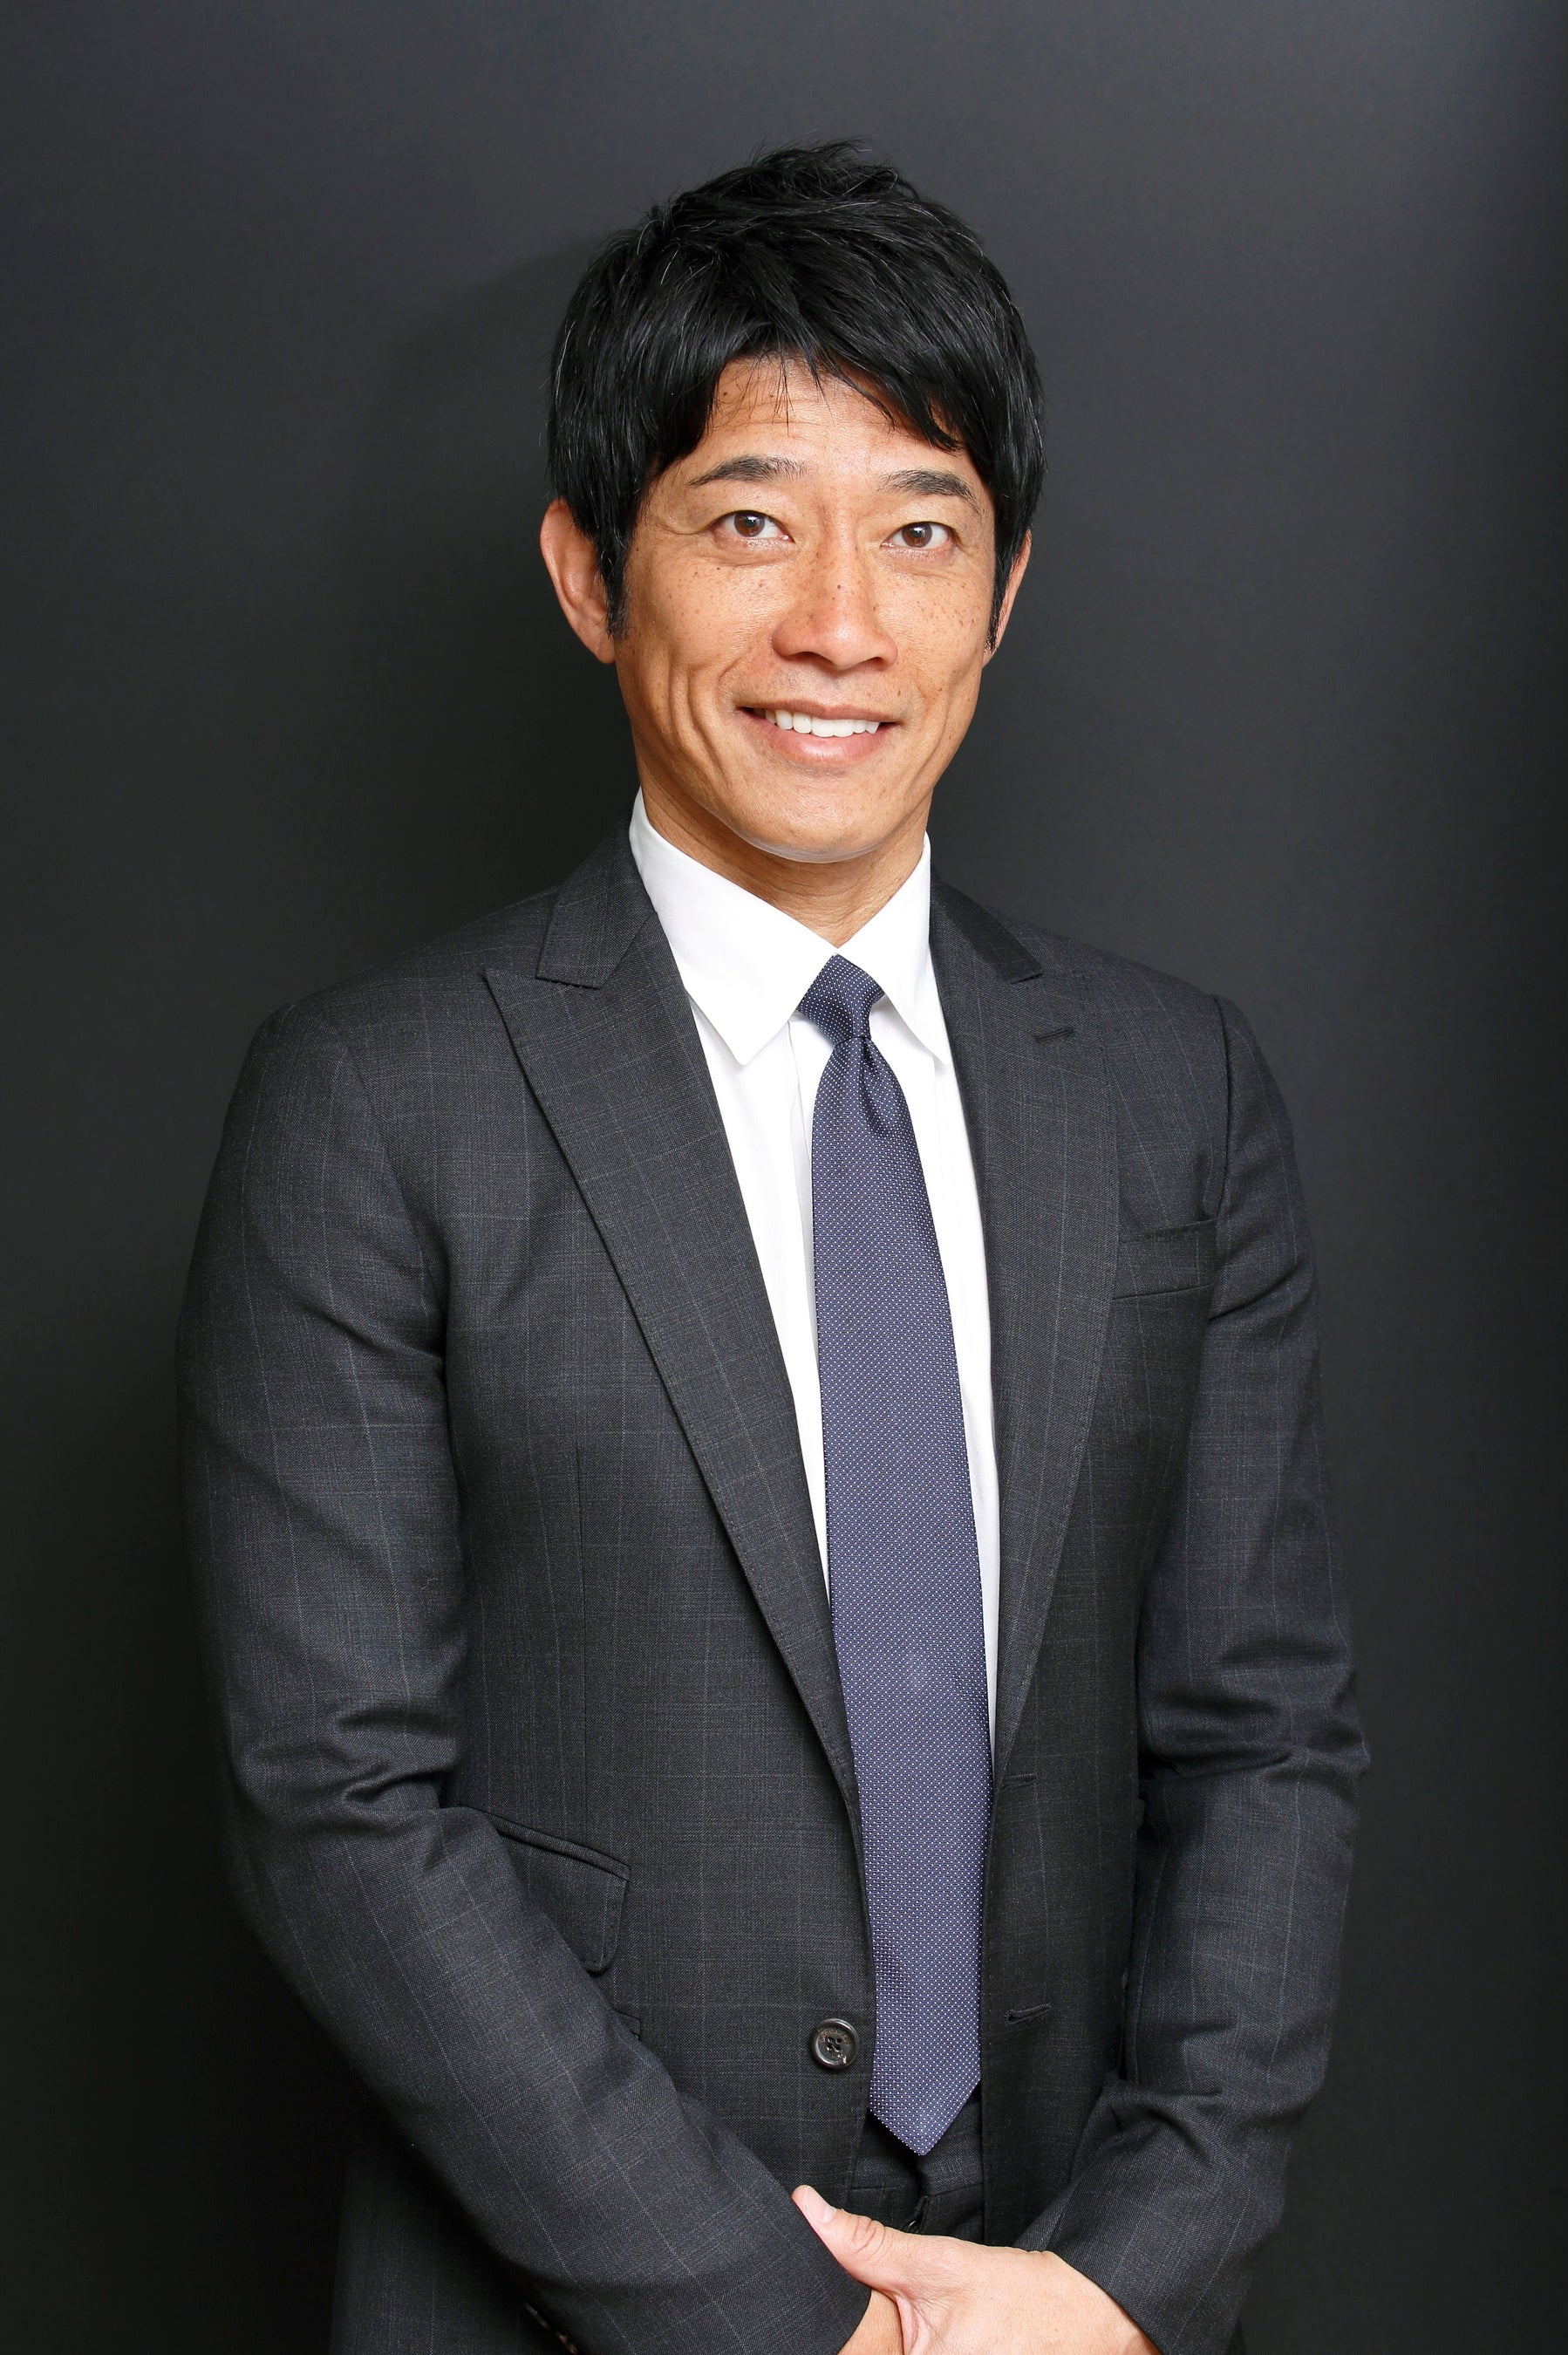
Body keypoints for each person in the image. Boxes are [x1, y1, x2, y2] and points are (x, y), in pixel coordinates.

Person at [179, 144, 1365, 2355]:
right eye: (748, 522)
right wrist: (796, 2326)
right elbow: (335, 1805)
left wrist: (1125, 2279)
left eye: (920, 529)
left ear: (1003, 592)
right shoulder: (373, 1101)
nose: (842, 622)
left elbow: (1264, 1740)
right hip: (560, 2305)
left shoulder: (1173, 1095)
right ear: (588, 570)